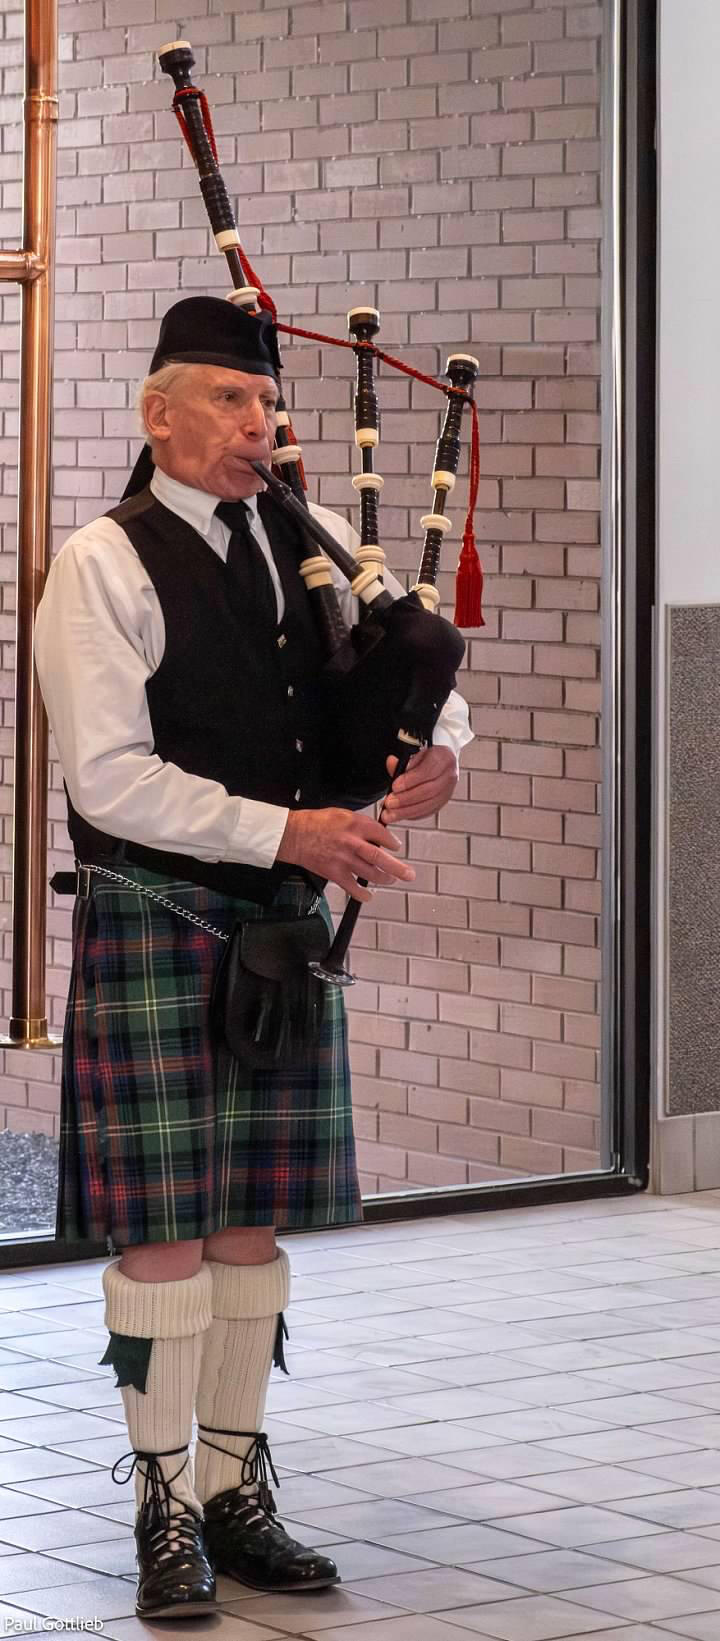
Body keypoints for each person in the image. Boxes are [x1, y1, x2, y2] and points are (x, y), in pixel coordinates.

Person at [34, 294, 472, 1619]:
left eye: (265, 401)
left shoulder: (307, 533)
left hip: (275, 926)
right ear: (157, 414)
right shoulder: (99, 566)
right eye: (227, 400)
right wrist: (292, 825)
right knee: (161, 1231)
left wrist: (441, 750)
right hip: (158, 915)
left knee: (247, 1225)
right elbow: (109, 780)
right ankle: (162, 1501)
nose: (258, 424)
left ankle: (234, 1483)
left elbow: (418, 660)